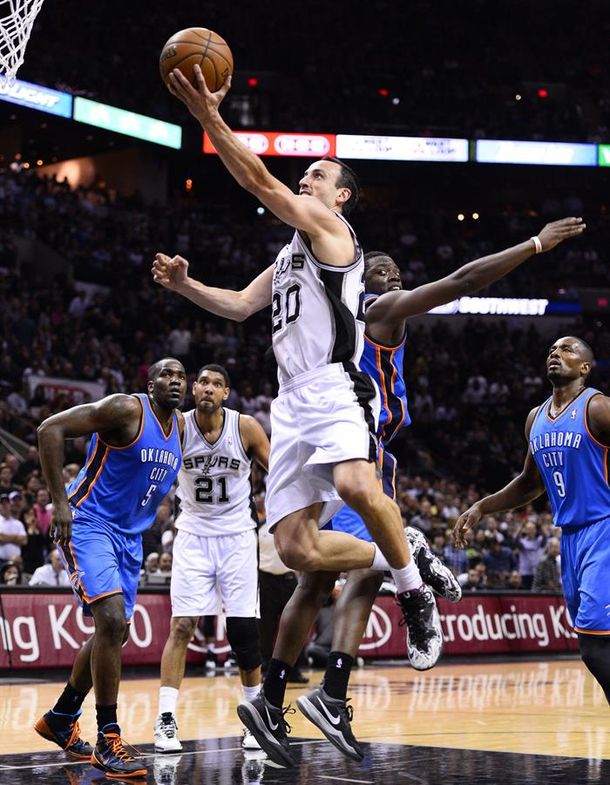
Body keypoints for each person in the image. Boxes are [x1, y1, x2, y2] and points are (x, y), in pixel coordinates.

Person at [157, 67, 443, 765]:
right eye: (307, 172)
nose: (308, 177)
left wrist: (209, 118)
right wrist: (185, 283)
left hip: (335, 387)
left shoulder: (331, 229)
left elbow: (259, 181)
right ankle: (404, 554)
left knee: (354, 485)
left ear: (341, 195)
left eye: (318, 172)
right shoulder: (289, 254)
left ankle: (413, 594)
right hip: (291, 404)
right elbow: (238, 306)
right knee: (295, 553)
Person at [294, 218, 587, 761]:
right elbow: (463, 279)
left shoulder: (327, 321)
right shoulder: (380, 312)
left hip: (322, 442)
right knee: (356, 566)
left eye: (397, 272)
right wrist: (535, 244)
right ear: (359, 276)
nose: (395, 278)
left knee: (318, 575)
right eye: (383, 270)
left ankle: (291, 694)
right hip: (358, 444)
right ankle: (414, 562)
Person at [34, 357, 187, 778]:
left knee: (113, 632)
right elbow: (50, 429)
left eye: (181, 377)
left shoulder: (183, 430)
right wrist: (59, 504)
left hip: (130, 538)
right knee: (111, 619)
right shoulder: (126, 409)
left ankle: (61, 717)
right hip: (88, 522)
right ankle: (108, 738)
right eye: (166, 375)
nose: (175, 381)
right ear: (150, 382)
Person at [454, 336, 610, 705]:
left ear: (585, 368)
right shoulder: (535, 418)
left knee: (594, 646)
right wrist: (482, 507)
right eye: (552, 350)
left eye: (567, 349)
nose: (556, 353)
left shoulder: (599, 408)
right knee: (596, 642)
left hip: (604, 529)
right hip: (571, 538)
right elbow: (530, 484)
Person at [153, 364, 270, 755]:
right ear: (193, 389)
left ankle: (255, 716)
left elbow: (278, 472)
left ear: (226, 394)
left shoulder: (246, 428)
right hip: (193, 534)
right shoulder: (179, 427)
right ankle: (166, 719)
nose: (207, 388)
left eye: (216, 384)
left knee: (243, 633)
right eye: (201, 381)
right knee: (182, 626)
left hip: (237, 536)